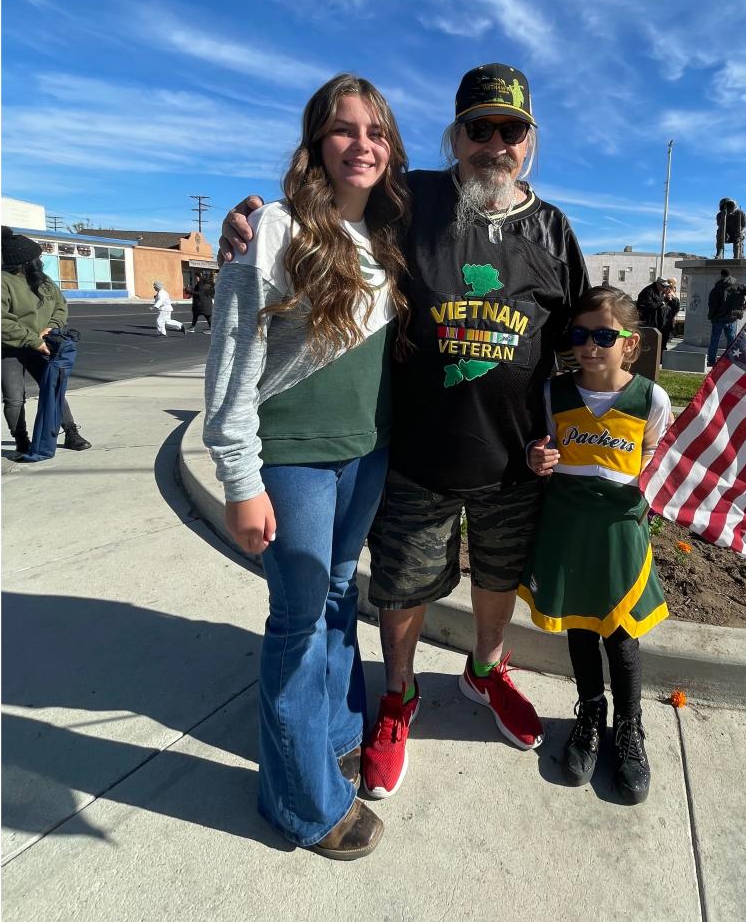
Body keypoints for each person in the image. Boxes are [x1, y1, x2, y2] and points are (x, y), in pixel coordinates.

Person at [218, 63, 590, 800]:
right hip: (415, 451)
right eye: (478, 128)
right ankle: (398, 694)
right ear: (455, 136)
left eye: (509, 130)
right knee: (401, 584)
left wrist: (587, 433)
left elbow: (579, 341)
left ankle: (486, 670)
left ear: (529, 142)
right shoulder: (408, 199)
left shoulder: (553, 229)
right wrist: (250, 223)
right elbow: (329, 212)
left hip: (513, 457)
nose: (494, 144)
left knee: (495, 579)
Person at [203, 74, 411, 859]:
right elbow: (232, 358)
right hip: (290, 460)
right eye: (345, 130)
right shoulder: (274, 230)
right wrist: (239, 479)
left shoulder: (384, 238)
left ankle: (330, 736)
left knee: (333, 597)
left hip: (366, 453)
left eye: (377, 132)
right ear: (316, 144)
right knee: (296, 620)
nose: (362, 144)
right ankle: (300, 804)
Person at [519, 286, 671, 802]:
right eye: (580, 335)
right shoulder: (554, 392)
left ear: (629, 343)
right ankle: (591, 713)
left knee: (622, 635)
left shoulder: (651, 397)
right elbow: (542, 448)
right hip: (567, 527)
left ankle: (630, 727)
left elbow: (654, 460)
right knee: (580, 627)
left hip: (619, 534)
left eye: (603, 335)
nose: (589, 345)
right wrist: (535, 458)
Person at [1, 226, 91, 457]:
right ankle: (22, 440)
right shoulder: (2, 282)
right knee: (14, 398)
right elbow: (1, 320)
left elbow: (60, 306)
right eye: (37, 257)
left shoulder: (44, 280)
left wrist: (52, 326)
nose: (40, 260)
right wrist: (32, 339)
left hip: (43, 344)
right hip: (10, 349)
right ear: (25, 261)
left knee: (53, 389)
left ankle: (70, 432)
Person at [706, 268, 746, 367]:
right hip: (732, 318)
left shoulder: (716, 288)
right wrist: (745, 306)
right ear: (730, 275)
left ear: (722, 276)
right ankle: (729, 360)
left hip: (718, 319)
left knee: (714, 340)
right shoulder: (740, 286)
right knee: (731, 341)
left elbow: (712, 305)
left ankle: (711, 361)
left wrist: (711, 317)